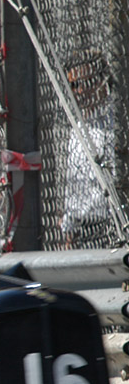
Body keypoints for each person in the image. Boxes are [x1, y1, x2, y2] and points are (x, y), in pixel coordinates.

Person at [61, 54, 115, 248]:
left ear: (102, 83)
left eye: (87, 83)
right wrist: (69, 231)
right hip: (81, 228)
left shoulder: (116, 124)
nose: (80, 91)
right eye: (74, 86)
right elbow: (73, 186)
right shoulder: (78, 127)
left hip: (111, 224)